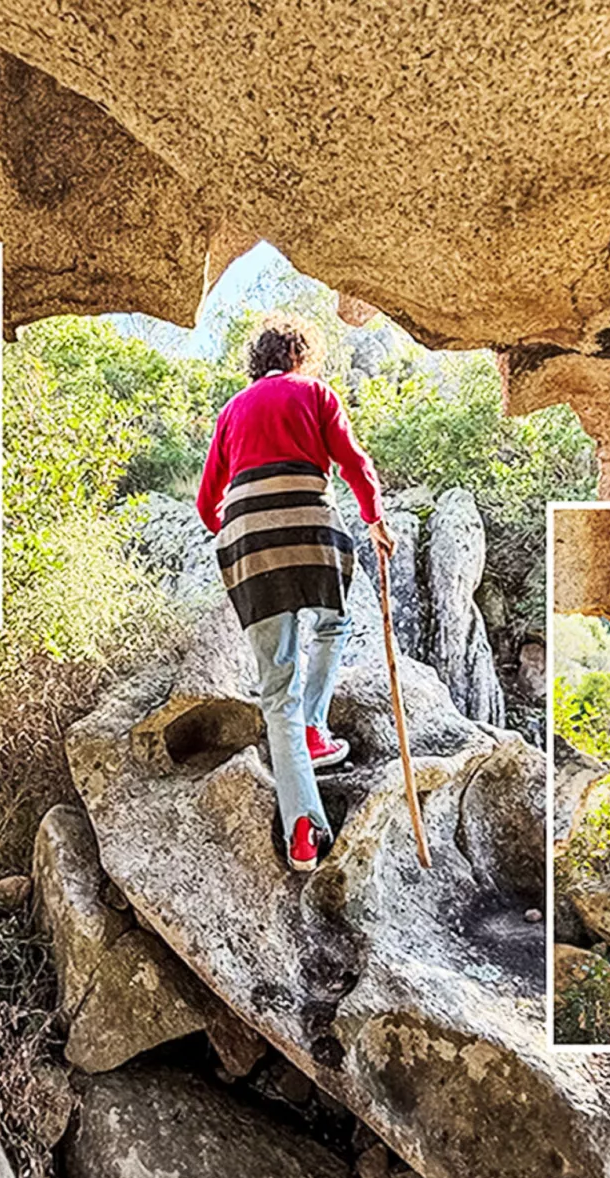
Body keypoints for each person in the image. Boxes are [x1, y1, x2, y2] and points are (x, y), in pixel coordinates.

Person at [195, 312, 393, 874]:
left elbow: (208, 503)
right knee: (333, 623)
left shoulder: (232, 410)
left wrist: (240, 529)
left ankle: (303, 830)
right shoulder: (316, 393)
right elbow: (354, 464)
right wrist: (375, 520)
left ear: (258, 363)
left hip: (250, 545)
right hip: (312, 530)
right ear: (300, 357)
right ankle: (314, 724)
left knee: (274, 686)